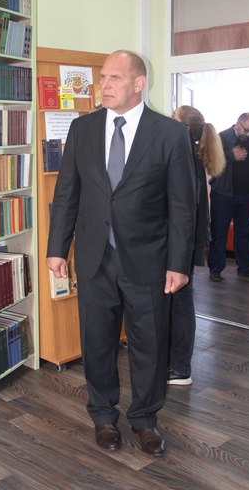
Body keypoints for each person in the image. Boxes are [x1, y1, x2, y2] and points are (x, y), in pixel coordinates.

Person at [46, 50, 196, 457]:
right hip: (94, 257)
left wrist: (179, 264)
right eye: (102, 77)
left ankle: (145, 419)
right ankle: (103, 416)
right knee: (97, 341)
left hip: (149, 260)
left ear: (138, 83)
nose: (105, 85)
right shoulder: (83, 128)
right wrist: (57, 249)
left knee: (150, 344)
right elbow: (67, 193)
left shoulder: (169, 134)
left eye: (115, 77)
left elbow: (183, 206)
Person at [168, 106, 226, 385]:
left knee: (181, 302)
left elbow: (186, 210)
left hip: (183, 243)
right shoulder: (191, 157)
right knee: (178, 301)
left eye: (172, 117)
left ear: (182, 128)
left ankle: (181, 368)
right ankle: (176, 363)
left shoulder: (188, 161)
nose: (167, 121)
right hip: (185, 241)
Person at [207, 113, 249, 282]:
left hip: (248, 196)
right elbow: (210, 162)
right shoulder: (222, 138)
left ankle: (244, 267)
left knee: (244, 234)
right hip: (223, 195)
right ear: (238, 123)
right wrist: (231, 156)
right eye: (246, 130)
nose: (248, 134)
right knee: (219, 233)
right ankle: (215, 269)